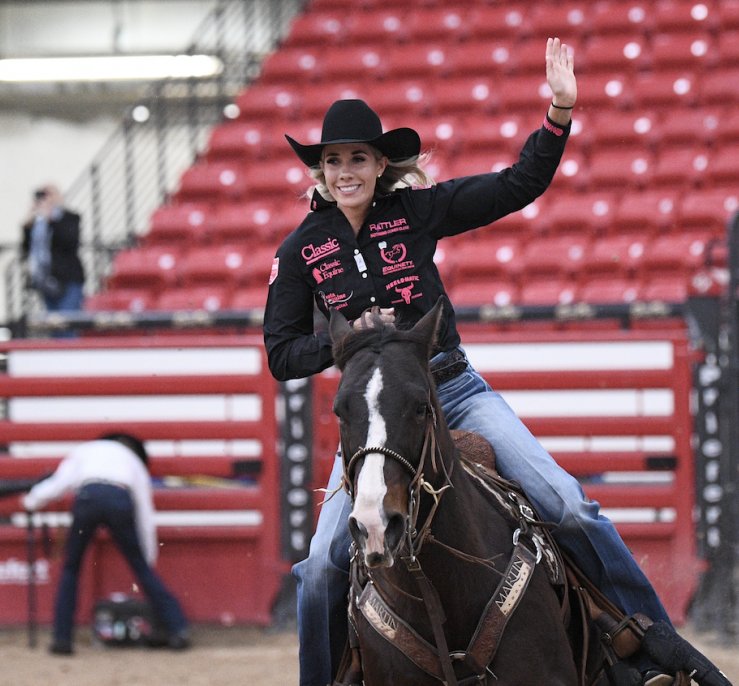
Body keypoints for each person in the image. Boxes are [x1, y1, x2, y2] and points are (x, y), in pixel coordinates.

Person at [264, 39, 702, 686]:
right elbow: (279, 354)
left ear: (381, 164)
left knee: (570, 505)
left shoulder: (416, 211)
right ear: (320, 171)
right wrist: (342, 341)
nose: (345, 171)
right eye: (334, 161)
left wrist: (558, 113)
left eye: (357, 158)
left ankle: (651, 645)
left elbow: (517, 186)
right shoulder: (302, 250)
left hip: (456, 391)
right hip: (377, 423)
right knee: (323, 568)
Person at [21, 434, 190, 655]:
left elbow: (59, 484)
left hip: (87, 498)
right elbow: (144, 511)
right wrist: (147, 556)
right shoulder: (133, 461)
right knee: (139, 566)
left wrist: (31, 500)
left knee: (72, 568)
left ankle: (62, 638)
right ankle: (177, 630)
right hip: (119, 500)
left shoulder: (85, 449)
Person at [21, 184, 85, 313]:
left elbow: (68, 241)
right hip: (46, 280)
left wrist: (51, 218)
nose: (45, 198)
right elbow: (26, 248)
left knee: (67, 323)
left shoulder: (69, 218)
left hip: (68, 280)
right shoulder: (39, 222)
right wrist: (28, 223)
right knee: (52, 323)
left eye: (49, 194)